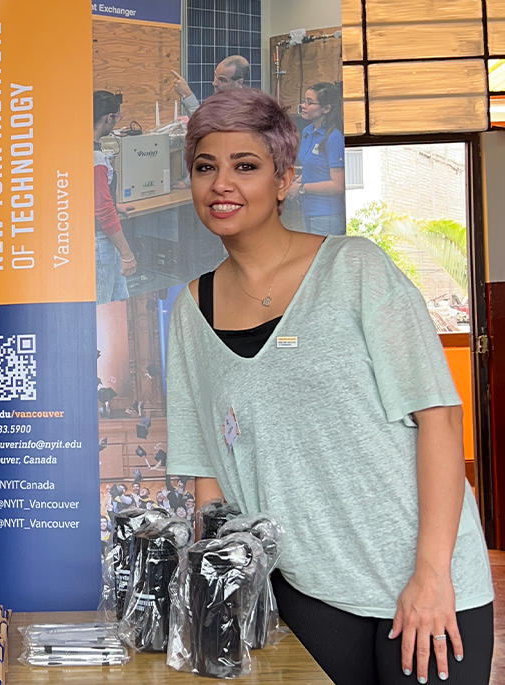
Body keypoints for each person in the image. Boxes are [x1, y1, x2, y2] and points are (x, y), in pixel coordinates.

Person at [165, 87, 493, 684]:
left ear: (285, 180)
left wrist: (431, 573)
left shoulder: (355, 269)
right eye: (205, 167)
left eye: (246, 166)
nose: (222, 184)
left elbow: (439, 418)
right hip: (302, 589)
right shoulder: (192, 309)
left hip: (421, 579)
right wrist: (227, 585)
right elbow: (204, 465)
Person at [94, 90, 137, 304]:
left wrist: (112, 202)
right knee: (102, 308)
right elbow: (103, 213)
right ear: (108, 118)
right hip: (100, 243)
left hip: (96, 241)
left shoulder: (77, 149)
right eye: (117, 117)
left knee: (116, 303)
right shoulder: (96, 159)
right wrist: (126, 254)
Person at [290, 82, 346, 235]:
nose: (303, 105)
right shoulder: (308, 131)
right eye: (304, 101)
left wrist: (301, 188)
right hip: (308, 210)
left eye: (309, 102)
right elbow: (312, 169)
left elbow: (338, 185)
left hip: (326, 214)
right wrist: (294, 184)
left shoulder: (334, 137)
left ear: (326, 109)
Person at [171, 55, 250, 115]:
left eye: (222, 80)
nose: (214, 83)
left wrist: (188, 95)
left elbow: (205, 127)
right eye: (215, 75)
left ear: (239, 82)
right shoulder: (222, 97)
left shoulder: (244, 107)